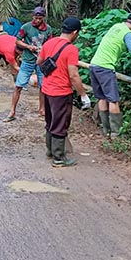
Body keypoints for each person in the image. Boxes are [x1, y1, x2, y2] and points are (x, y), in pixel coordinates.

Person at [37, 17, 91, 167]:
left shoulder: (49, 43)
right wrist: (83, 94)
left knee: (50, 121)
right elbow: (73, 75)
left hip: (47, 90)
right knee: (60, 124)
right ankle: (59, 158)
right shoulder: (71, 49)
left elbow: (39, 62)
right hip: (61, 92)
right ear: (75, 32)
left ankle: (50, 150)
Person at [4, 6, 53, 122]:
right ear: (33, 17)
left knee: (43, 86)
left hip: (41, 61)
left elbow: (50, 43)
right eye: (36, 18)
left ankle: (42, 109)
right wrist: (28, 47)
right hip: (27, 60)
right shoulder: (26, 27)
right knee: (19, 85)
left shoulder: (48, 29)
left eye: (40, 18)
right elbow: (17, 40)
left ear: (43, 18)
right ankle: (12, 111)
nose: (37, 21)